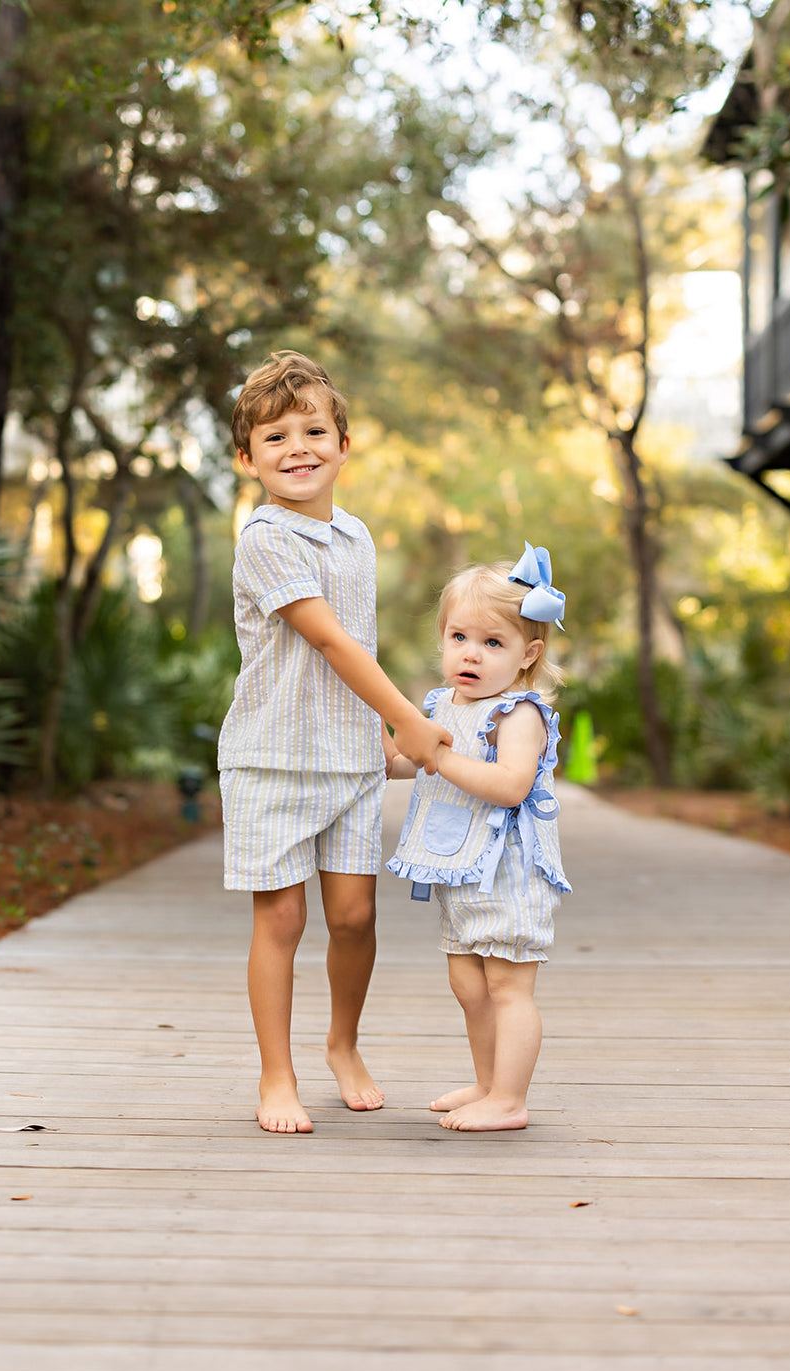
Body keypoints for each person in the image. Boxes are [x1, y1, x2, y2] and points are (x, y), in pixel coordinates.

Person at [218, 350, 452, 1135]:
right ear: (247, 459)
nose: (299, 448)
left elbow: (362, 639)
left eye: (314, 430)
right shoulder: (265, 539)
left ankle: (342, 1046)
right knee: (280, 921)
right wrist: (409, 722)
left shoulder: (355, 537)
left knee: (354, 917)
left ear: (344, 446)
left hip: (347, 764)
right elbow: (331, 644)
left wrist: (376, 741)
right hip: (271, 761)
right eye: (276, 437)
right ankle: (275, 1075)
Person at [386, 544, 572, 1131]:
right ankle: (488, 1082)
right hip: (461, 870)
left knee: (507, 985)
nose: (472, 654)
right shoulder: (441, 703)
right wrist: (380, 750)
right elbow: (404, 760)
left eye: (493, 643)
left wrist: (435, 756)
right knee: (468, 983)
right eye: (459, 637)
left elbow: (511, 785)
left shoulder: (520, 714)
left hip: (510, 873)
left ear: (527, 655)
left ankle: (510, 1099)